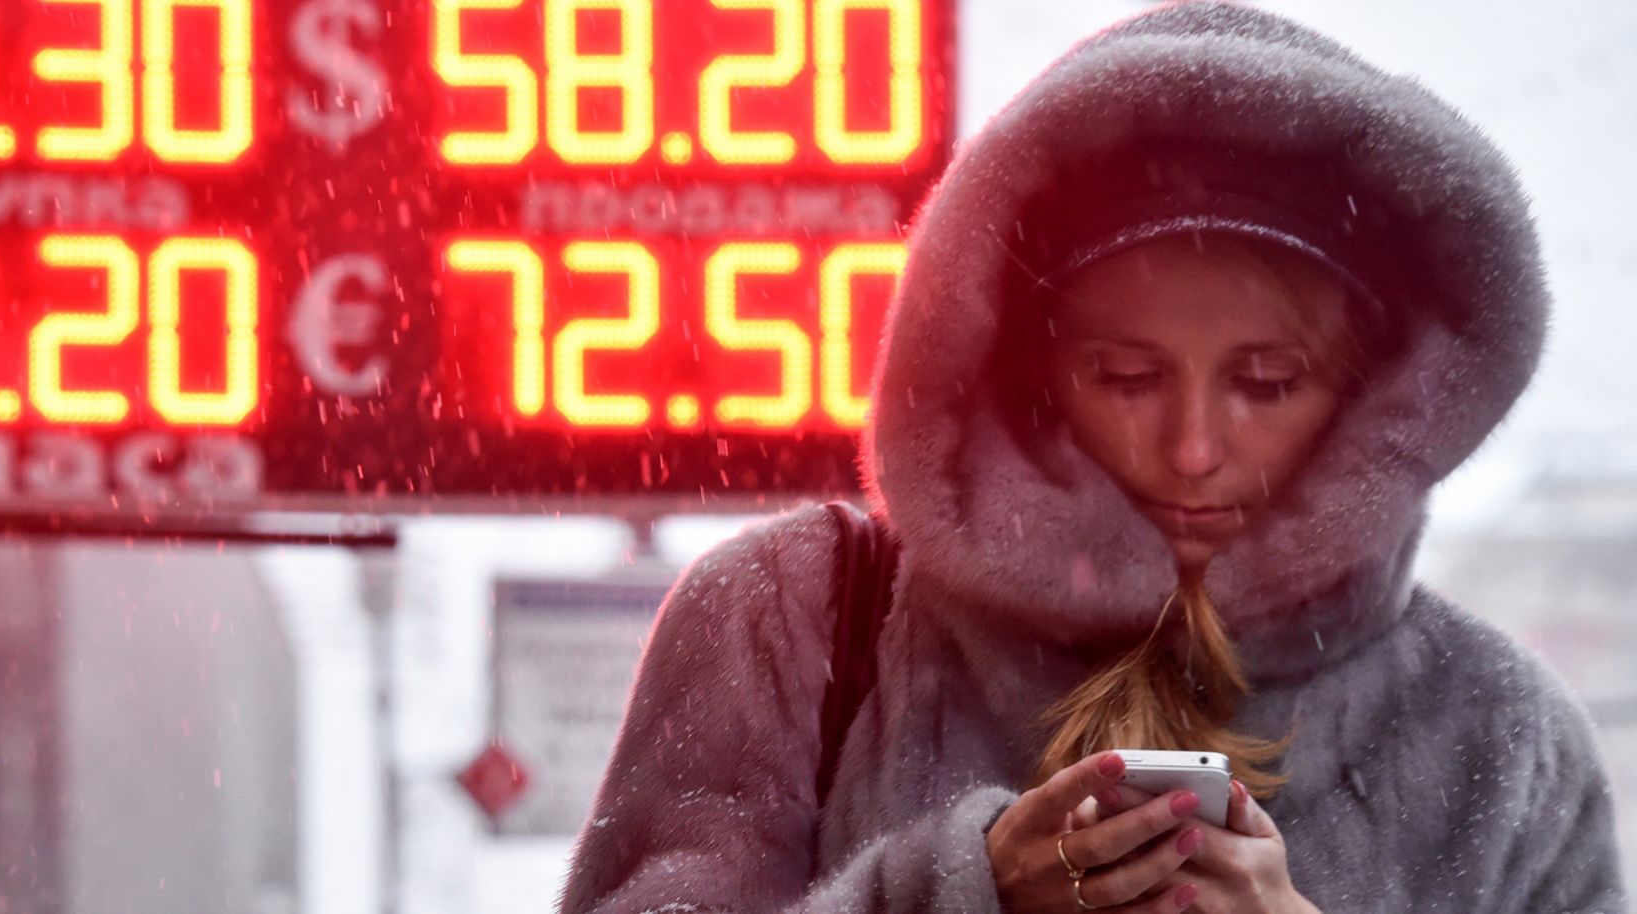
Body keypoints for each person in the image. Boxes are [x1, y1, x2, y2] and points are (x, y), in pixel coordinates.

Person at [555, 2, 1630, 912]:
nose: (1194, 448)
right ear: (1030, 375)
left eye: (1267, 382)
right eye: (1125, 375)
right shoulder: (798, 621)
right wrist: (961, 887)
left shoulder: (1501, 736)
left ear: (1368, 391)